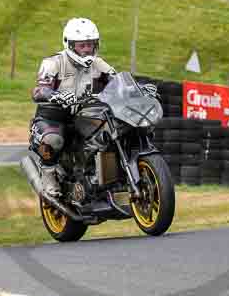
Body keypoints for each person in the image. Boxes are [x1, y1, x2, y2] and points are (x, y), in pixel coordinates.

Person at [29, 17, 157, 198]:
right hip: (54, 115)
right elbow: (39, 90)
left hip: (83, 113)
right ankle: (48, 174)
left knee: (111, 129)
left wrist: (140, 89)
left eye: (90, 45)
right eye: (82, 45)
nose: (87, 49)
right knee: (53, 140)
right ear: (70, 44)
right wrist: (56, 95)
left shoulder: (98, 63)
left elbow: (117, 80)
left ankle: (104, 175)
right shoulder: (53, 63)